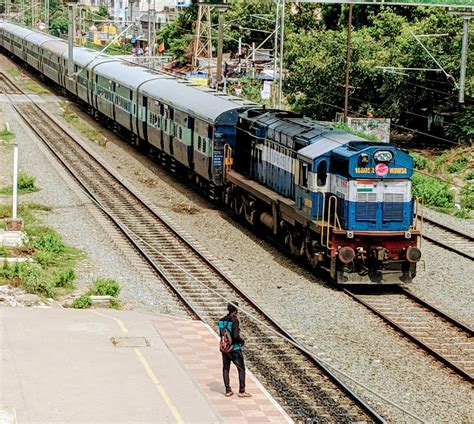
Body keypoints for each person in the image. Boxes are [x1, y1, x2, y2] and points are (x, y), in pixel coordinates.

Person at [218, 302, 252, 398]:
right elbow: (236, 336)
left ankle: (228, 390)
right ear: (236, 310)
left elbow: (221, 334)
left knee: (225, 368)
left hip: (224, 348)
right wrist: (243, 342)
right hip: (235, 348)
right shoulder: (235, 321)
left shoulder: (221, 321)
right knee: (241, 369)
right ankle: (242, 391)